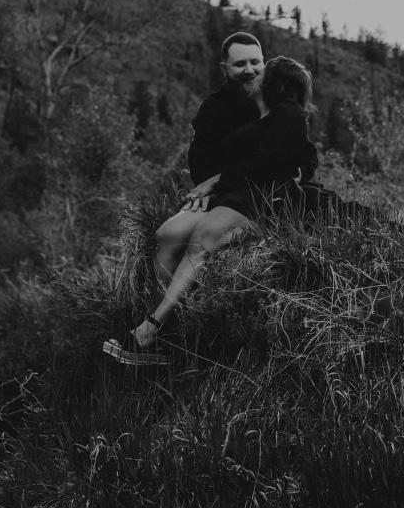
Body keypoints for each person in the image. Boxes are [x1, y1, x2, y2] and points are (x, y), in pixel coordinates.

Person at [103, 53, 319, 366]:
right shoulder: (240, 111)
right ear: (225, 68)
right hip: (235, 194)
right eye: (242, 65)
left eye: (260, 67)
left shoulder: (288, 113)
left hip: (259, 201)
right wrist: (210, 183)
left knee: (202, 240)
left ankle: (150, 331)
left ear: (274, 82)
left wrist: (219, 182)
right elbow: (211, 156)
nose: (252, 72)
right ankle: (162, 335)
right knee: (168, 236)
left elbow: (290, 158)